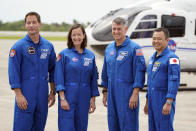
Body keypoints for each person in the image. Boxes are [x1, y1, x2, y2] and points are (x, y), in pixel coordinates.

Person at [8, 11, 56, 131]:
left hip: (42, 95)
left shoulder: (48, 46)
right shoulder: (18, 47)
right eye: (28, 23)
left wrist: (53, 92)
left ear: (40, 24)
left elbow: (53, 69)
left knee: (39, 126)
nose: (31, 25)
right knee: (22, 127)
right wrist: (18, 95)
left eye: (34, 22)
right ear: (25, 25)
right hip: (25, 94)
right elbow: (13, 72)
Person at [101, 17, 146, 131]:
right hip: (112, 94)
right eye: (114, 29)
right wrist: (105, 92)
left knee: (128, 124)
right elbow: (105, 71)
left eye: (119, 29)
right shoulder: (109, 48)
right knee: (113, 123)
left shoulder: (135, 48)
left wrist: (135, 93)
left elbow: (139, 71)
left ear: (125, 29)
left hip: (127, 94)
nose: (116, 32)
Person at [55, 24, 100, 131]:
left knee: (82, 126)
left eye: (79, 35)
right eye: (74, 35)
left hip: (84, 97)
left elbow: (93, 79)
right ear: (70, 36)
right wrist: (62, 98)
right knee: (66, 126)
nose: (76, 37)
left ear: (84, 36)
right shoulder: (63, 55)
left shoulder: (90, 55)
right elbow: (58, 77)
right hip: (68, 96)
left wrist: (93, 100)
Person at [144, 28, 180, 131]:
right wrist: (147, 102)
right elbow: (150, 82)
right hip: (152, 101)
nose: (156, 41)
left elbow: (174, 80)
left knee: (164, 128)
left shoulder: (172, 58)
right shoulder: (152, 59)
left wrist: (169, 102)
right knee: (153, 128)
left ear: (167, 41)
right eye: (154, 38)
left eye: (159, 39)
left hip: (163, 99)